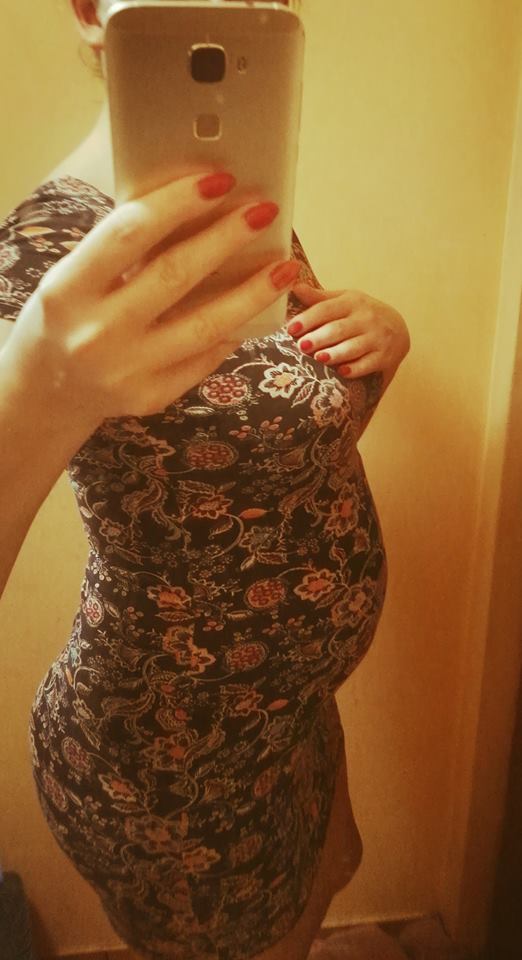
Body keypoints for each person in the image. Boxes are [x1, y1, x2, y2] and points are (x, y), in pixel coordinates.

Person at [0, 2, 410, 958]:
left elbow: (289, 443)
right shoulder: (43, 251)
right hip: (172, 765)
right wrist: (34, 391)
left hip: (287, 716)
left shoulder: (242, 201)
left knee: (332, 871)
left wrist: (384, 341)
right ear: (90, 11)